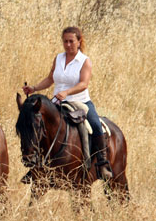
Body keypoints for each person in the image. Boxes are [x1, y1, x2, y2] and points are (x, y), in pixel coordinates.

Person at [22, 26, 113, 180]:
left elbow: (84, 84)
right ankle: (36, 165)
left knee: (96, 125)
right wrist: (34, 87)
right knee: (37, 124)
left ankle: (102, 164)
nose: (68, 44)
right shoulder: (58, 58)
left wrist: (67, 92)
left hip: (80, 101)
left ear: (79, 41)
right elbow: (50, 79)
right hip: (57, 102)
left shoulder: (84, 61)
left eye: (71, 41)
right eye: (65, 41)